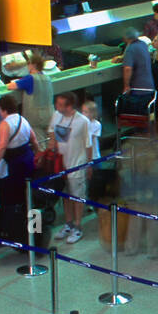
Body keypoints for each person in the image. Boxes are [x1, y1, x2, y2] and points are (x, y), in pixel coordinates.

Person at [0, 94, 40, 246]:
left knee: (10, 200)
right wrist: (38, 155)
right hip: (27, 160)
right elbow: (34, 139)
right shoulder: (22, 119)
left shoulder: (5, 124)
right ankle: (34, 232)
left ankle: (12, 232)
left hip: (12, 166)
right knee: (28, 198)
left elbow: (2, 146)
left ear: (2, 109)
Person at [48, 92, 91, 244]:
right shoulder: (56, 115)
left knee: (77, 196)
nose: (56, 107)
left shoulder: (83, 121)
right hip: (61, 164)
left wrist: (89, 165)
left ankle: (78, 226)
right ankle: (68, 223)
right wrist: (52, 144)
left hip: (77, 164)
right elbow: (52, 131)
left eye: (60, 105)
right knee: (65, 195)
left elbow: (88, 144)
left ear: (69, 106)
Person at [6, 51, 54, 146]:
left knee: (40, 145)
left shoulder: (30, 79)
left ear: (32, 65)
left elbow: (11, 86)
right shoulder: (47, 78)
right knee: (50, 143)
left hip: (36, 118)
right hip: (50, 115)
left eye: (28, 64)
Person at [117, 28, 156, 117]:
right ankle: (147, 129)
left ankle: (138, 130)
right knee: (147, 115)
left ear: (126, 38)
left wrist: (126, 86)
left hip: (138, 90)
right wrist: (123, 58)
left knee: (137, 117)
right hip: (150, 87)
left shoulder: (131, 48)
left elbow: (127, 69)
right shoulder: (143, 44)